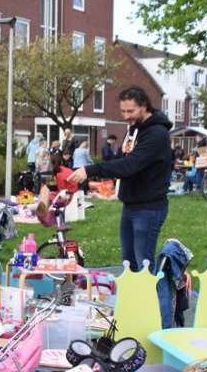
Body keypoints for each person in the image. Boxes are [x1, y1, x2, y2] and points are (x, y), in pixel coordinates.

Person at [70, 87, 173, 272]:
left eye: (130, 111)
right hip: (130, 205)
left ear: (144, 106)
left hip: (149, 207)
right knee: (128, 262)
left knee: (144, 265)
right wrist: (100, 179)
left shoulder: (157, 134)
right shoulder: (133, 130)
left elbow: (130, 165)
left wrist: (91, 169)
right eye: (123, 111)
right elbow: (119, 160)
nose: (126, 116)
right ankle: (134, 290)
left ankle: (152, 291)